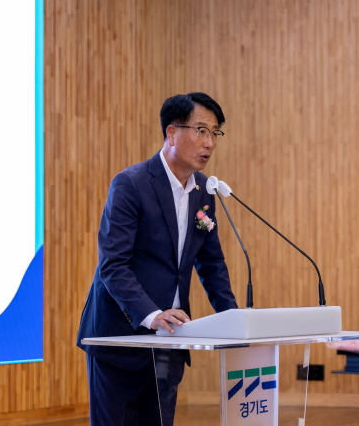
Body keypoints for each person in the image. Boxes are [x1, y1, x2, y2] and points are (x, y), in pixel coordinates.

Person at [76, 92, 238, 426]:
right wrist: (152, 315)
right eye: (201, 130)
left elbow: (211, 264)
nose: (209, 142)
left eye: (215, 133)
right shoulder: (131, 184)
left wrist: (234, 320)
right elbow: (113, 264)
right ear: (172, 133)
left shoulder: (204, 190)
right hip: (120, 338)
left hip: (169, 344)